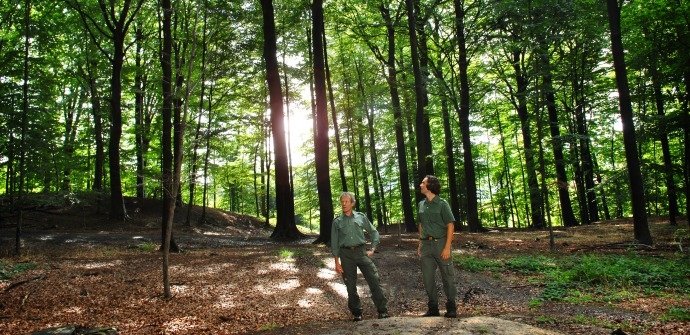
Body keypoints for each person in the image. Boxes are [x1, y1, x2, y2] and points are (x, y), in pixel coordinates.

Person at [331, 192, 390, 321]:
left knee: (374, 279)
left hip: (361, 252)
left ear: (352, 203)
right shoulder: (337, 221)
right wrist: (337, 262)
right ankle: (357, 313)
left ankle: (382, 310)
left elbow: (373, 231)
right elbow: (334, 243)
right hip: (345, 255)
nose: (344, 204)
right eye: (342, 202)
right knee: (350, 286)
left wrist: (373, 248)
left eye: (347, 201)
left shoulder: (360, 217)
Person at [417, 175, 458, 318]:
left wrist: (447, 247)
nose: (420, 185)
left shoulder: (442, 204)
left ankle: (451, 307)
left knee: (448, 277)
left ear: (430, 185)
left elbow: (450, 225)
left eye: (423, 183)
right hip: (426, 246)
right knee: (427, 278)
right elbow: (421, 225)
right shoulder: (421, 204)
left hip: (441, 244)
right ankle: (433, 308)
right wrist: (420, 244)